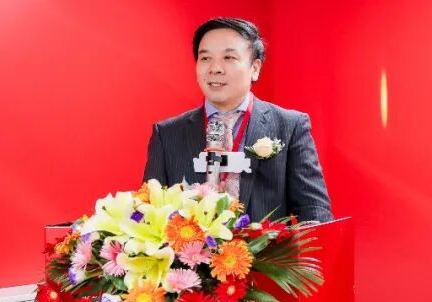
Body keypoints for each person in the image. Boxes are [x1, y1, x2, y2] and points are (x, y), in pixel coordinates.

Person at [142, 17, 333, 223]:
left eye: (229, 57)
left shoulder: (289, 126)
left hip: (264, 245)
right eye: (205, 58)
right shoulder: (167, 134)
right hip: (190, 243)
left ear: (255, 68)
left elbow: (314, 210)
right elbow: (149, 212)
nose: (215, 68)